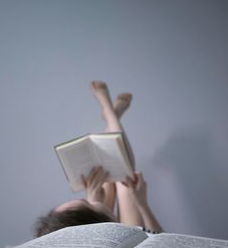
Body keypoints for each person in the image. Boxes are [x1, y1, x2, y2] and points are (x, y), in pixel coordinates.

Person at [35, 81, 163, 237]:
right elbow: (159, 239)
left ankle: (111, 115)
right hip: (111, 233)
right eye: (87, 202)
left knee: (112, 174)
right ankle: (110, 112)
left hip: (99, 226)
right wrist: (142, 205)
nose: (89, 198)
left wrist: (93, 200)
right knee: (125, 182)